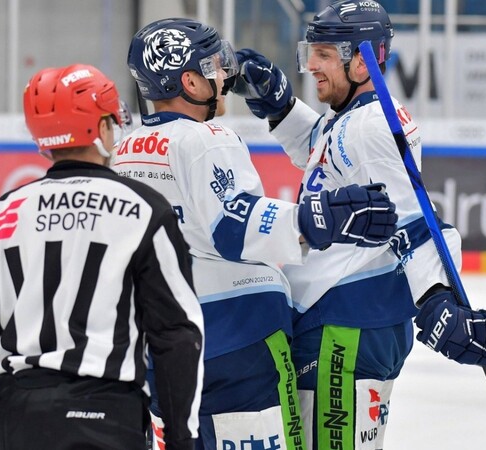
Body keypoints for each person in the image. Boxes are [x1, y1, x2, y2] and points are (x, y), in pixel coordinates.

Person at [231, 1, 486, 448]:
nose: (311, 66)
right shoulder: (351, 118)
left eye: (325, 55)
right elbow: (325, 156)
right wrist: (283, 108)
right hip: (348, 319)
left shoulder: (370, 129)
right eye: (313, 52)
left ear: (362, 60)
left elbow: (412, 221)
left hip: (343, 325)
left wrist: (438, 302)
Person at [117, 17, 400, 450]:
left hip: (160, 346)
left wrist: (283, 110)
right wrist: (317, 219)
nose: (225, 76)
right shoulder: (207, 140)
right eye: (212, 66)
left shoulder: (124, 151)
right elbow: (235, 225)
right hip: (240, 339)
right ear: (190, 82)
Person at [0, 63, 205, 450]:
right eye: (111, 121)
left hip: (15, 416)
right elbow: (178, 334)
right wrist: (181, 438)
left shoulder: (3, 215)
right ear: (99, 130)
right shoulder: (145, 210)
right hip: (106, 417)